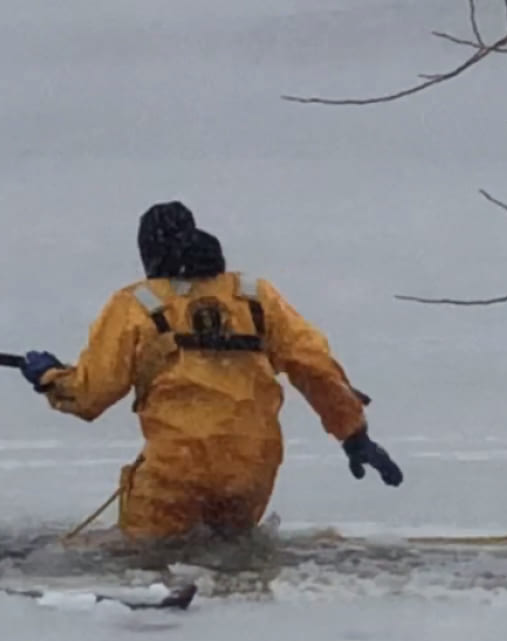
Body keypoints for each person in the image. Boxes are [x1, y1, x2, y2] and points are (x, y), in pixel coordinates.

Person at [20, 201, 402, 542]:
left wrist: (48, 377)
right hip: (251, 470)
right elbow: (315, 366)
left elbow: (90, 394)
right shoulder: (255, 296)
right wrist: (354, 434)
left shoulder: (135, 304)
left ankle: (154, 599)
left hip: (177, 469)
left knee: (142, 556)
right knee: (229, 554)